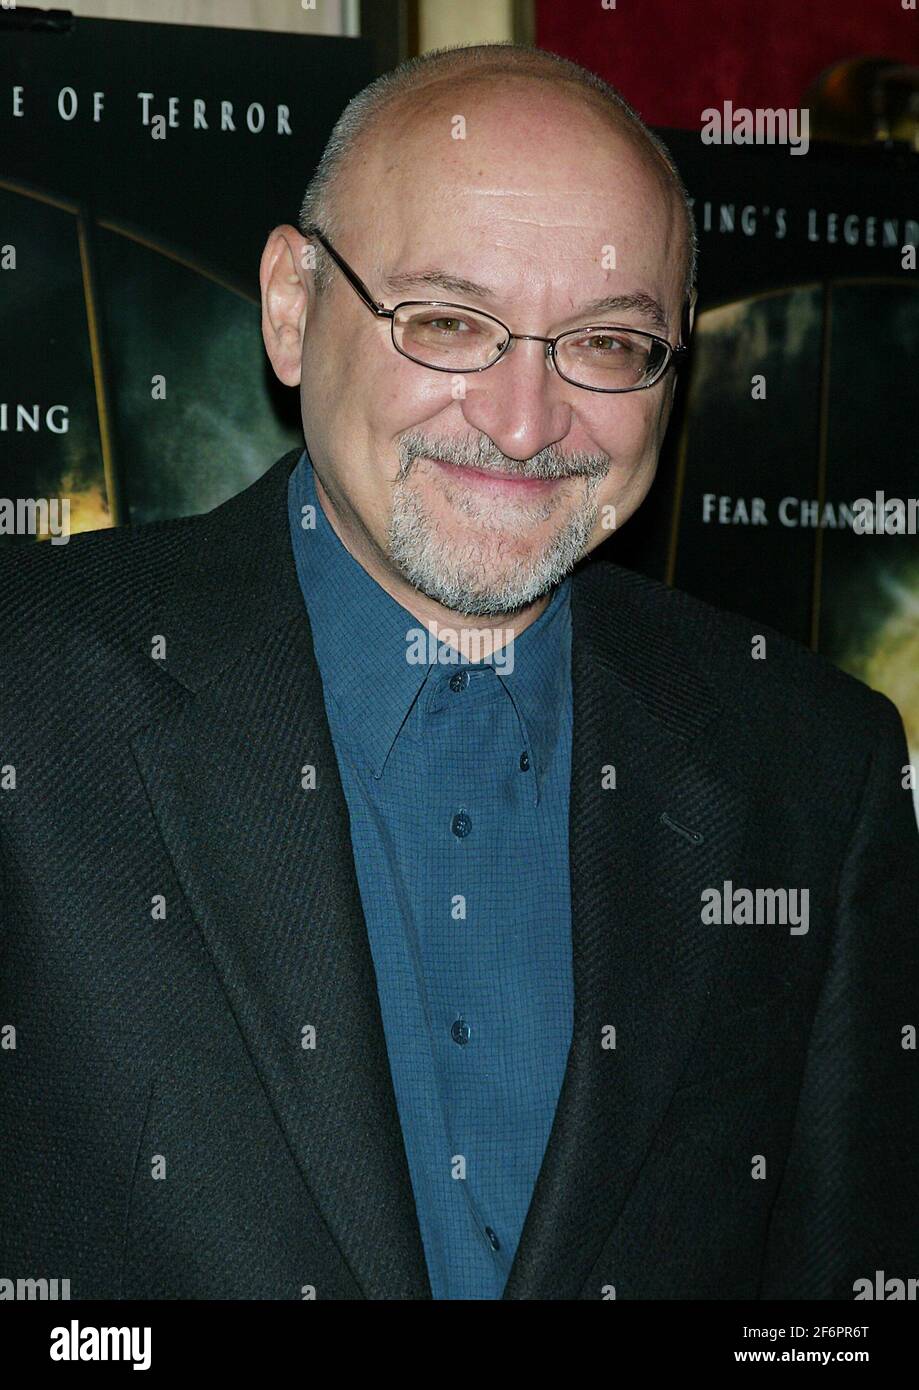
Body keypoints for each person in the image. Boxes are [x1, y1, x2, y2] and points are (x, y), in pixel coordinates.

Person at [1, 43, 916, 1302]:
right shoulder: (30, 689)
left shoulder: (813, 770)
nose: (525, 419)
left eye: (605, 342)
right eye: (446, 321)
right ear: (290, 306)